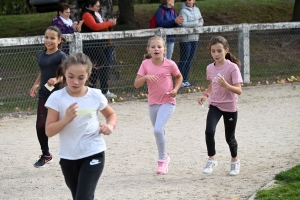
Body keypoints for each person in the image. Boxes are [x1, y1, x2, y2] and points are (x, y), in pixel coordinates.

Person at [45, 53, 117, 199]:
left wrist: (110, 126)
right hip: (68, 157)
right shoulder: (56, 97)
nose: (75, 82)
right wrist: (66, 119)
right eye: (71, 76)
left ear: (88, 75)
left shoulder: (96, 95)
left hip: (93, 151)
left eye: (81, 78)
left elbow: (111, 115)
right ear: (64, 73)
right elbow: (49, 131)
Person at [134, 36, 183, 174]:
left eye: (159, 47)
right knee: (159, 130)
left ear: (164, 49)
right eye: (153, 47)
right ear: (148, 50)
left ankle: (162, 160)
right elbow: (136, 84)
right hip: (153, 103)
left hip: (168, 101)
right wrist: (145, 77)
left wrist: (175, 89)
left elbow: (179, 77)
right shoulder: (145, 64)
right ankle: (165, 155)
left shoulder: (170, 64)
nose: (156, 49)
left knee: (157, 130)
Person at [198, 36, 243, 176]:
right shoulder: (210, 68)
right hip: (215, 104)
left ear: (226, 50)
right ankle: (212, 159)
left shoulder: (232, 68)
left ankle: (235, 161)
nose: (216, 54)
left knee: (229, 137)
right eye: (213, 51)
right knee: (209, 131)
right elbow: (213, 82)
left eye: (219, 51)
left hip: (230, 106)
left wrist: (226, 85)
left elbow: (239, 90)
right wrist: (206, 95)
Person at [29, 26, 68, 168]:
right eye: (46, 37)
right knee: (40, 125)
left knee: (69, 124)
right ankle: (46, 155)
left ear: (59, 40)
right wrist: (35, 85)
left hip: (60, 94)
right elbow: (42, 72)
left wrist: (56, 79)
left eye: (52, 38)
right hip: (45, 94)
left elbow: (66, 73)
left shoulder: (61, 56)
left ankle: (76, 154)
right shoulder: (40, 54)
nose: (48, 40)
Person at [80, 0, 117, 99]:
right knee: (102, 64)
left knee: (96, 67)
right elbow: (95, 27)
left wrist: (110, 24)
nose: (98, 8)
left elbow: (101, 27)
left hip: (98, 44)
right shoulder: (86, 14)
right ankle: (102, 90)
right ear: (90, 5)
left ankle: (95, 90)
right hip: (91, 45)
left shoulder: (95, 14)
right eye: (96, 6)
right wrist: (108, 22)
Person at [178, 0, 204, 88]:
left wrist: (196, 23)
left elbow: (202, 22)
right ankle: (180, 80)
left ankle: (185, 79)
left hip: (195, 38)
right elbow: (183, 24)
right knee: (184, 59)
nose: (188, 1)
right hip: (186, 39)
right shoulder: (183, 11)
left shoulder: (197, 10)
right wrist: (196, 22)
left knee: (190, 59)